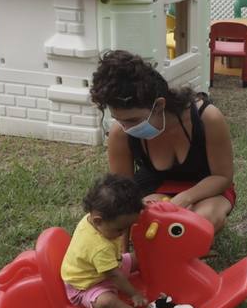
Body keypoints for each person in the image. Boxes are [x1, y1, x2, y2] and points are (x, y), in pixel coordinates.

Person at [89, 50, 236, 232]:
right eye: (119, 119)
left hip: (207, 189)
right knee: (146, 219)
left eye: (133, 120)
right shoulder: (120, 134)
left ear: (159, 105)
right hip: (155, 190)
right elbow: (122, 197)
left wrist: (185, 198)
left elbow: (223, 177)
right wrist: (123, 253)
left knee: (200, 220)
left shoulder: (206, 118)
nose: (126, 128)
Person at [61, 174, 191, 308]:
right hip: (86, 284)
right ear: (98, 220)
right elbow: (115, 277)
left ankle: (171, 278)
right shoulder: (99, 248)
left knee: (143, 257)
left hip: (109, 265)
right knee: (106, 303)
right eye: (120, 229)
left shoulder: (97, 219)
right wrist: (134, 294)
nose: (123, 233)